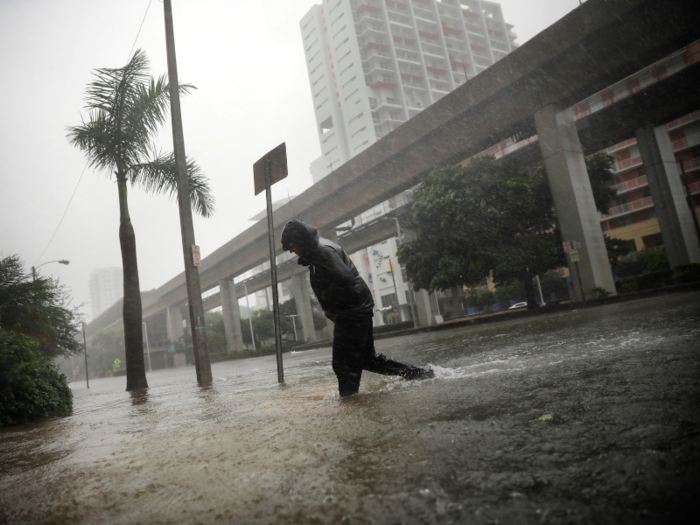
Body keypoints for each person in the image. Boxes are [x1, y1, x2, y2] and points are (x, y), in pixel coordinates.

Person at [281, 219, 434, 398]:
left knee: (342, 363)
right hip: (357, 307)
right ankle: (420, 374)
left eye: (291, 246)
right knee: (368, 360)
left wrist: (325, 297)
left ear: (300, 240)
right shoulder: (318, 249)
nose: (291, 251)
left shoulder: (321, 251)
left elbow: (345, 279)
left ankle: (349, 402)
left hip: (352, 311)